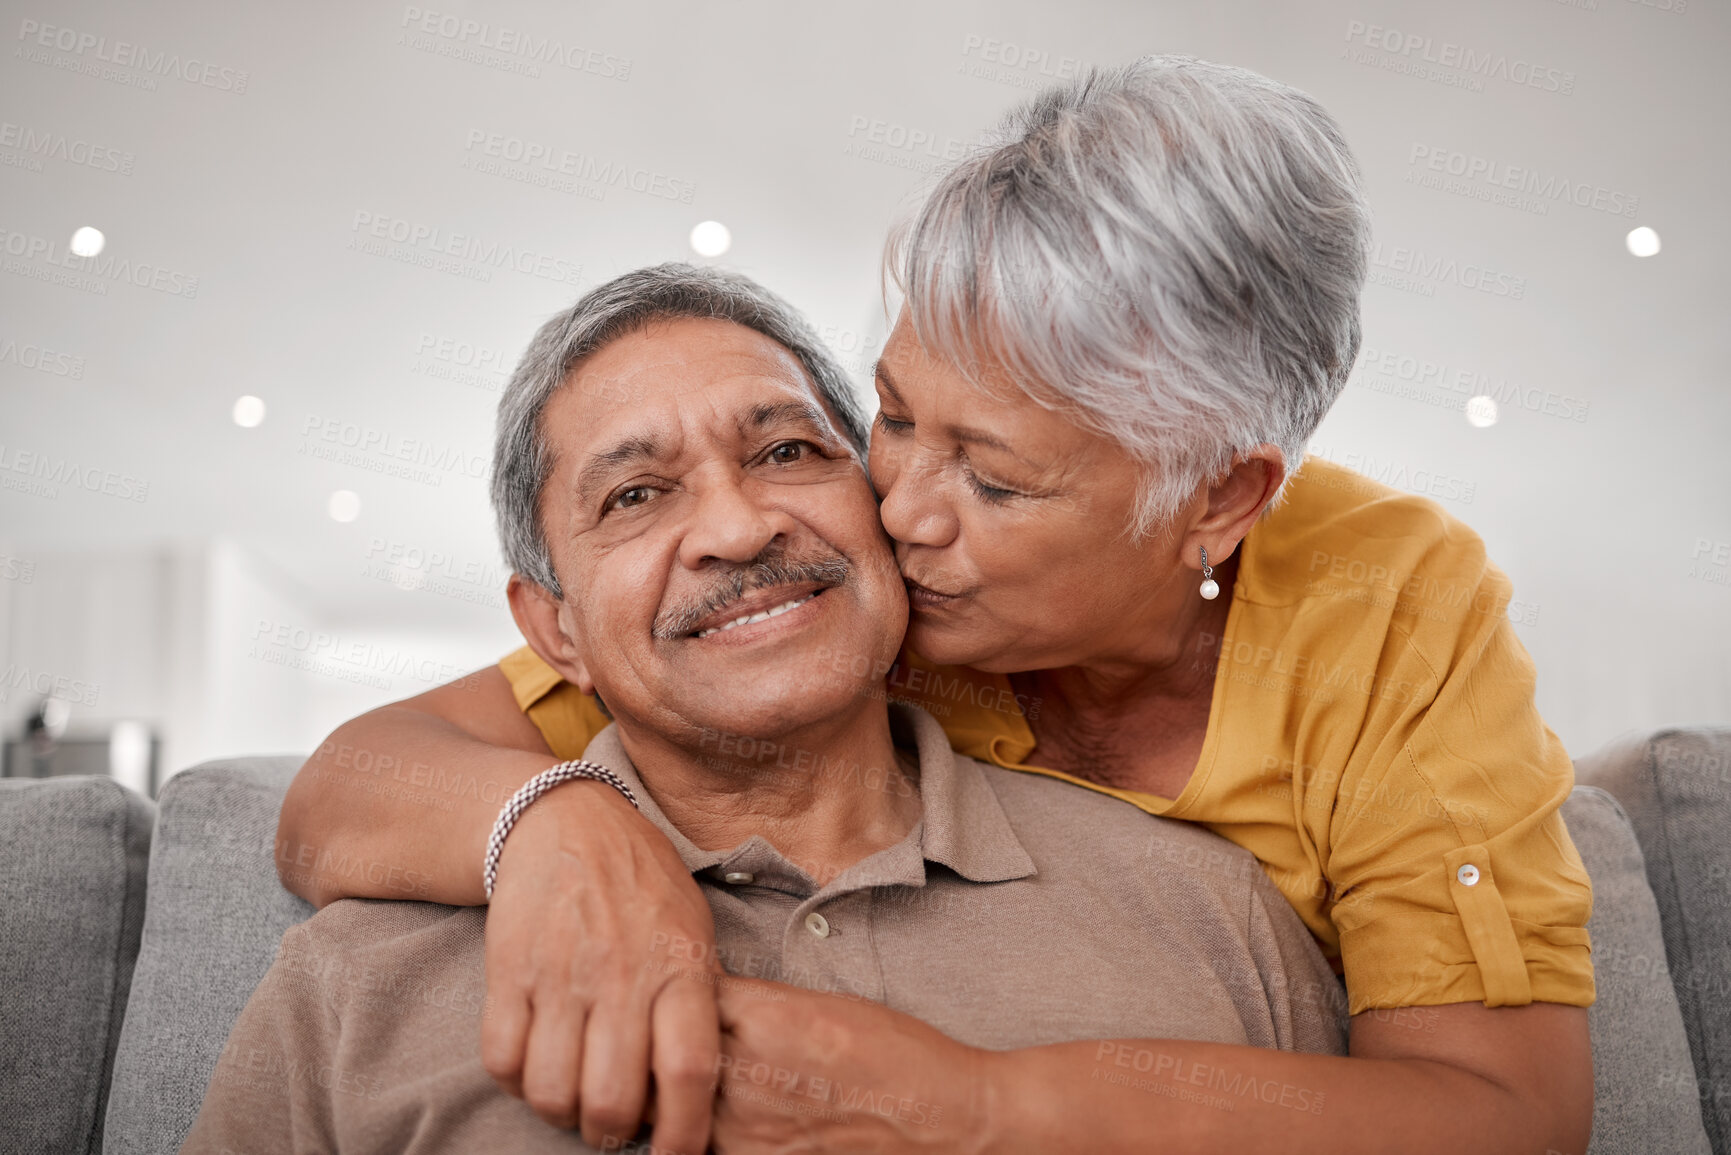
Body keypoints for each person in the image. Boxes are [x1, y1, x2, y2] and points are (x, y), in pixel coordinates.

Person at [277, 55, 1595, 1154]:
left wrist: (979, 1101)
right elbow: (351, 781)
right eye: (893, 417)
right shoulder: (826, 605)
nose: (897, 506)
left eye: (991, 476)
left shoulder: (1384, 612)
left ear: (1215, 500)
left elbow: (1501, 1108)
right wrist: (551, 821)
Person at [185, 267, 1348, 1155]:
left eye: (788, 450)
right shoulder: (355, 982)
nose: (740, 529)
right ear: (554, 631)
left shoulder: (1213, 913)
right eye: (637, 495)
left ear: (884, 510)